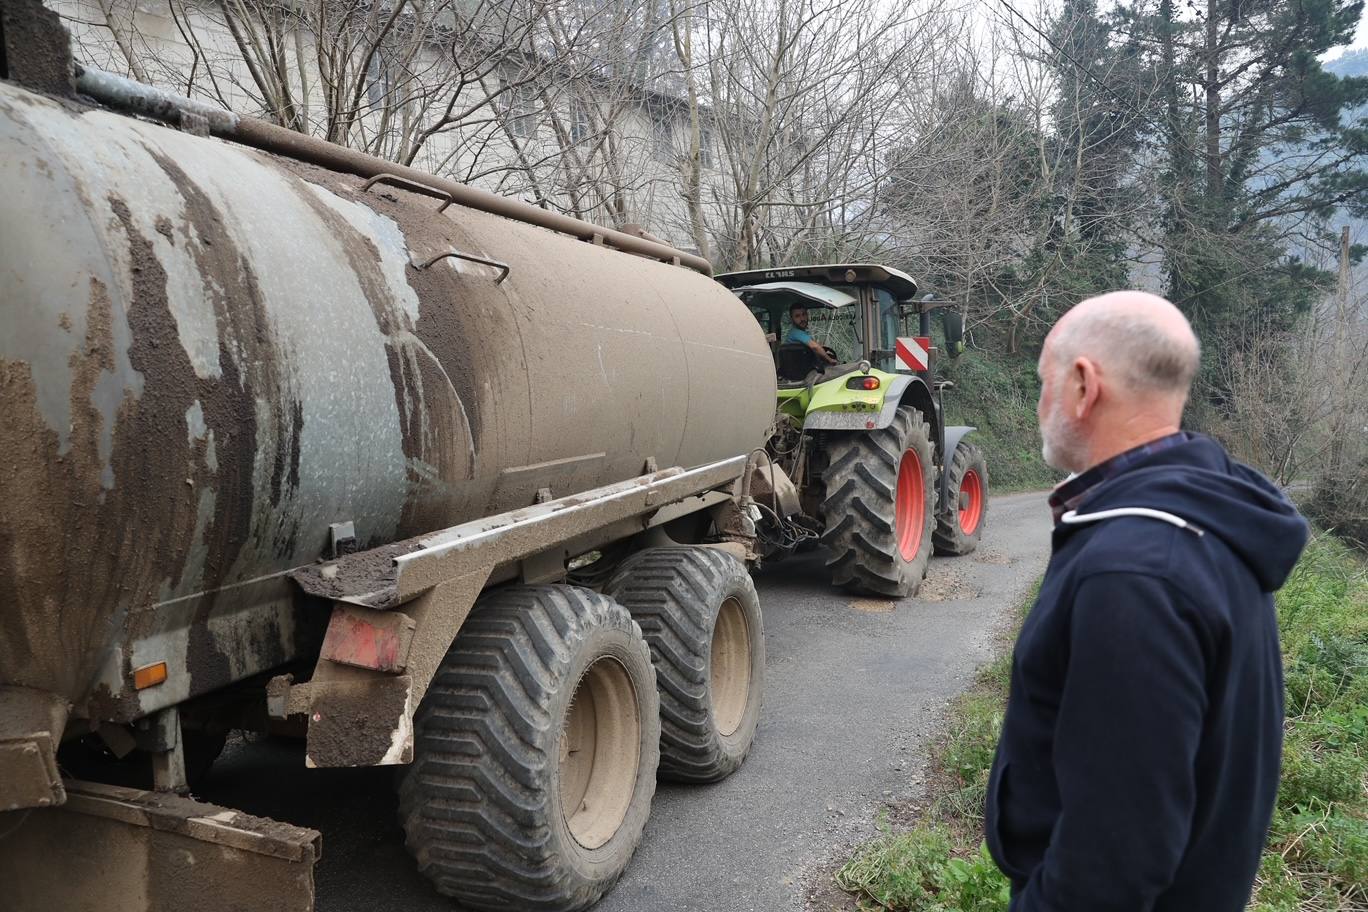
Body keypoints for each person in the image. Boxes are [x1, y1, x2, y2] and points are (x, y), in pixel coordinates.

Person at [986, 290, 1308, 911]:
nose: (1038, 405)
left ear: (1083, 385)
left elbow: (1112, 864)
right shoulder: (1204, 515)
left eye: (1042, 382)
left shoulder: (1135, 572)